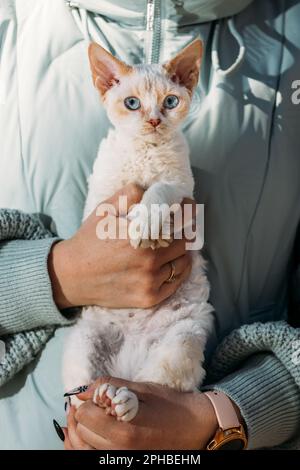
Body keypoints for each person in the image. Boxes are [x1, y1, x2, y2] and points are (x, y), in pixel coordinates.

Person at [0, 0, 300, 450]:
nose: (153, 118)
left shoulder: (291, 26)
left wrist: (226, 414)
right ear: (105, 84)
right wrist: (55, 277)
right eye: (136, 103)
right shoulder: (11, 19)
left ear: (186, 81)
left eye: (169, 101)